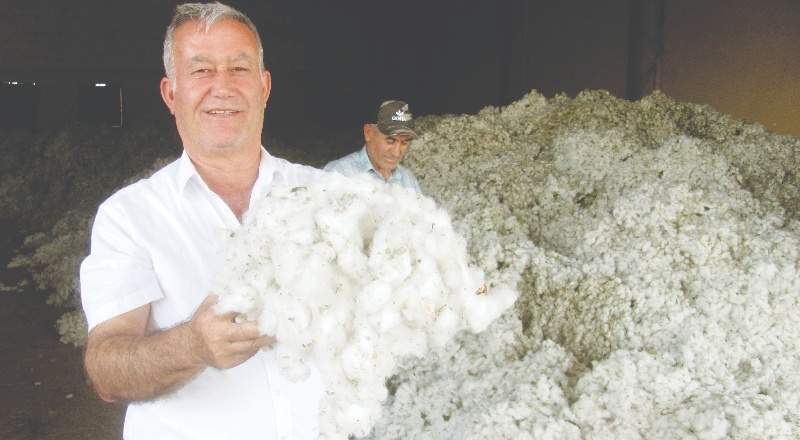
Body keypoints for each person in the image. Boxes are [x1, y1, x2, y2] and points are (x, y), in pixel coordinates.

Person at [80, 3, 327, 438]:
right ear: (170, 93)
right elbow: (106, 371)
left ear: (264, 85)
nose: (223, 87)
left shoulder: (326, 197)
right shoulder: (130, 216)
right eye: (200, 71)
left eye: (239, 68)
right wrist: (193, 345)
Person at [324, 100, 422, 193]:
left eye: (404, 142)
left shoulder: (408, 180)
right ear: (368, 133)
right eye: (390, 141)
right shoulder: (338, 173)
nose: (396, 153)